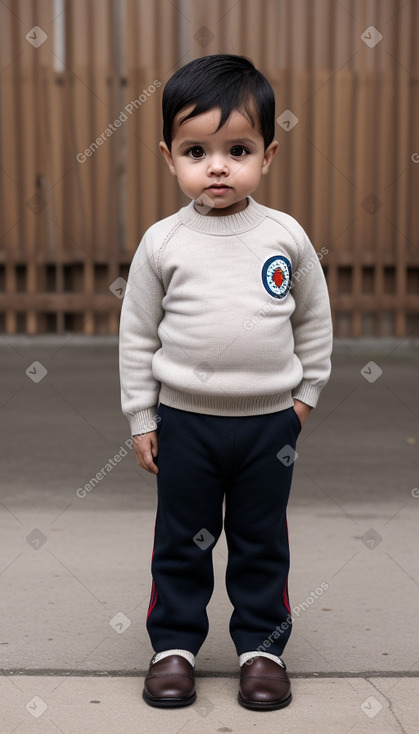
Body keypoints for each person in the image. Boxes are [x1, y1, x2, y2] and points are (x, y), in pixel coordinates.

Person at [119, 54, 333, 711]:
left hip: (270, 425)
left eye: (236, 149)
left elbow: (313, 324)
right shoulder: (163, 243)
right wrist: (142, 418)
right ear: (168, 157)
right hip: (185, 423)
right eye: (196, 151)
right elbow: (136, 336)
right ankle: (173, 648)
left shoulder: (283, 237)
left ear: (267, 154)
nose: (217, 167)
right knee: (181, 540)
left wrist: (302, 401)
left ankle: (261, 651)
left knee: (260, 539)